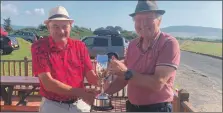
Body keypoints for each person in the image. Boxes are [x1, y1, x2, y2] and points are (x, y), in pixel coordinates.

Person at [105, 1, 180, 112]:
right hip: (132, 107)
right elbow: (124, 79)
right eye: (138, 20)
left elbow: (157, 83)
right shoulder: (132, 45)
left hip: (157, 109)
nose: (143, 24)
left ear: (159, 21)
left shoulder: (168, 43)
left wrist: (125, 72)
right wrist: (103, 93)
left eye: (149, 18)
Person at [31, 6, 100, 113]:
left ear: (70, 26)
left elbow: (90, 75)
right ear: (48, 27)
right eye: (55, 26)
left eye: (64, 26)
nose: (61, 31)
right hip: (53, 106)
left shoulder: (80, 46)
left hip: (79, 104)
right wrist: (82, 93)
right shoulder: (39, 47)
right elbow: (48, 83)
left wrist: (104, 81)